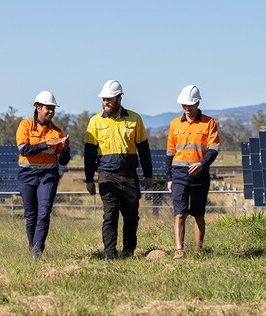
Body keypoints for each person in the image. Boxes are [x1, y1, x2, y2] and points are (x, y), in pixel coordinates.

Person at [84, 79, 153, 260]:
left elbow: (143, 149)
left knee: (132, 217)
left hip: (130, 176)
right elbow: (89, 153)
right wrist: (89, 179)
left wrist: (148, 174)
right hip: (106, 176)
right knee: (110, 216)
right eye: (104, 99)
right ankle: (110, 255)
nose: (105, 102)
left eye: (109, 99)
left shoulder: (135, 119)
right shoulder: (95, 121)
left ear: (119, 99)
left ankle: (128, 252)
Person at [166, 84, 220, 259]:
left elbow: (213, 149)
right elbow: (170, 152)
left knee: (198, 214)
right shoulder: (174, 124)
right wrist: (169, 177)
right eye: (183, 105)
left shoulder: (209, 123)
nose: (187, 109)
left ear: (197, 103)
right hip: (179, 174)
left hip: (200, 175)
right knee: (179, 214)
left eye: (190, 105)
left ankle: (199, 250)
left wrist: (202, 164)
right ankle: (179, 250)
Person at [16, 91, 71, 260]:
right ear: (38, 107)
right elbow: (24, 149)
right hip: (27, 175)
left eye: (53, 109)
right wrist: (46, 143)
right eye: (48, 108)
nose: (51, 112)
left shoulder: (58, 132)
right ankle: (33, 250)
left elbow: (63, 161)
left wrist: (66, 148)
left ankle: (37, 252)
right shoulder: (25, 126)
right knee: (30, 215)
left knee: (44, 212)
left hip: (48, 176)